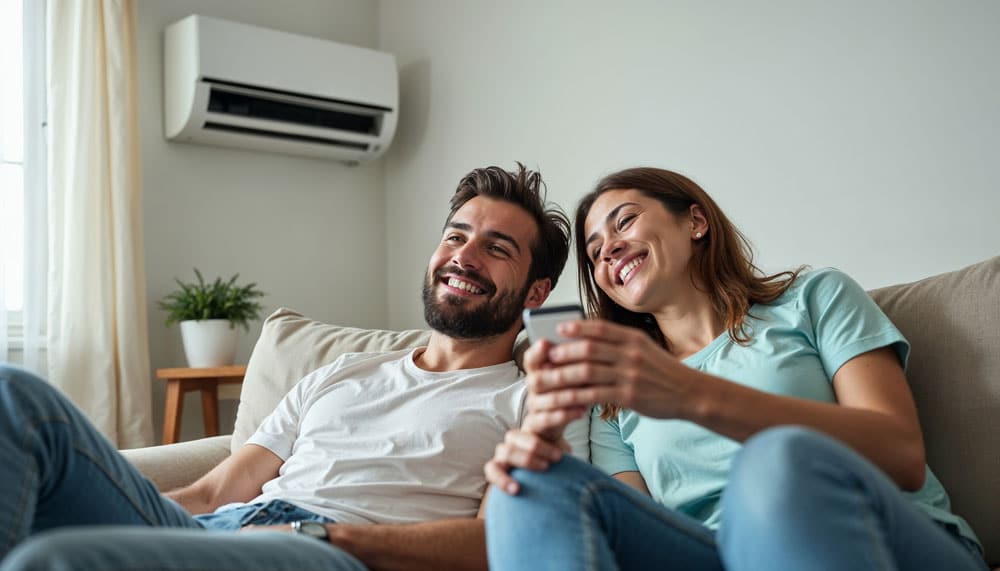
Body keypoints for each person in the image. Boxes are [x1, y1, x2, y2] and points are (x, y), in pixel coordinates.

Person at [0, 163, 571, 571]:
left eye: (497, 249)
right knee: (16, 397)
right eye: (456, 236)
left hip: (328, 551)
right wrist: (134, 517)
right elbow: (215, 490)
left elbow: (494, 543)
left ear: (536, 291)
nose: (464, 257)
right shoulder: (343, 371)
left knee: (53, 559)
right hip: (222, 531)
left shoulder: (530, 401)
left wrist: (322, 533)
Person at [483, 167, 987, 570]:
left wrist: (690, 394)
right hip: (716, 555)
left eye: (625, 221)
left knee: (777, 458)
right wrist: (551, 459)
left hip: (884, 537)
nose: (609, 248)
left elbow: (901, 452)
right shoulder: (615, 395)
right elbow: (639, 533)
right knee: (527, 489)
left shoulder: (814, 298)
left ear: (695, 222)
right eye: (594, 253)